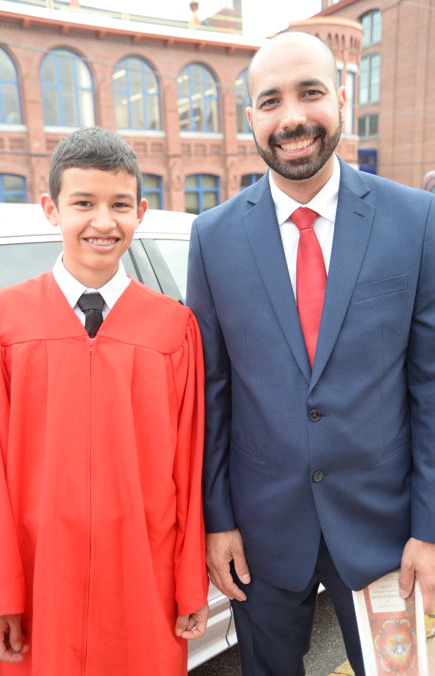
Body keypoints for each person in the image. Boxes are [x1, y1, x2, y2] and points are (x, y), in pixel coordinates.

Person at [186, 32, 435, 675]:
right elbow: (212, 393)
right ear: (251, 117)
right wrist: (217, 520)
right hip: (260, 537)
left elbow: (430, 388)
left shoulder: (416, 221)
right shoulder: (212, 238)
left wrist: (430, 528)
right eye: (271, 101)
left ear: (342, 99)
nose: (292, 117)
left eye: (311, 93)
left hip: (384, 531)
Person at [0, 127, 208, 676]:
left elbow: (189, 463)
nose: (103, 222)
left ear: (141, 213)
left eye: (120, 205)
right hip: (42, 579)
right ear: (51, 209)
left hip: (144, 574)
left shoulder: (173, 328)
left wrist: (189, 583)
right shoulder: (4, 322)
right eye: (83, 203)